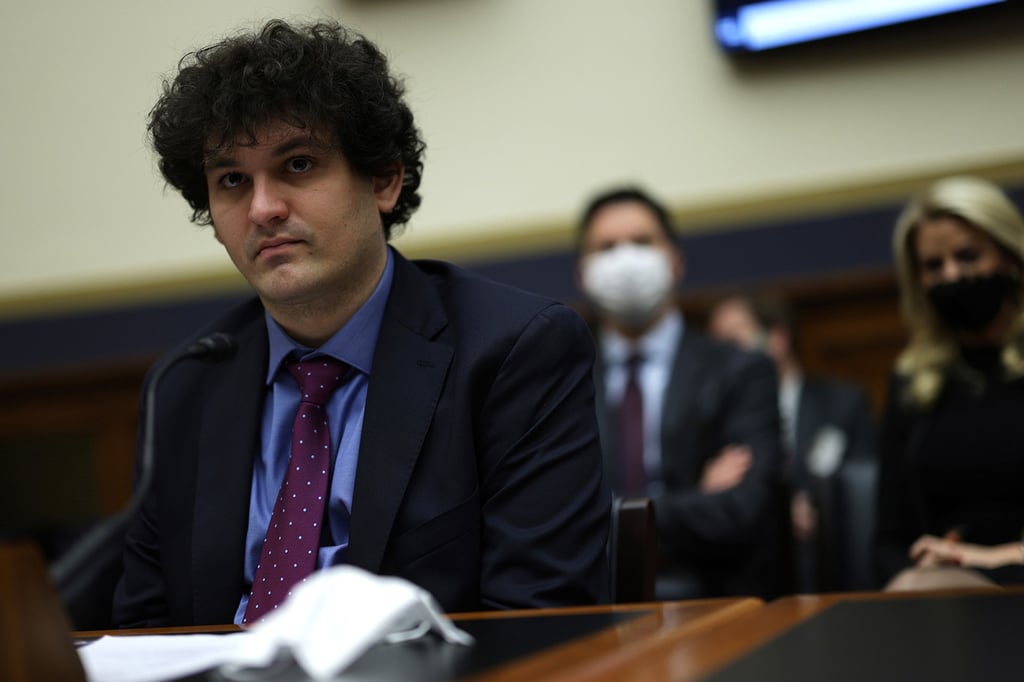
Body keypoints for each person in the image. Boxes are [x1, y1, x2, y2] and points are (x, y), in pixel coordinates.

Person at [112, 19, 611, 628]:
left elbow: (539, 625)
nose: (263, 208)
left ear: (383, 179)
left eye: (297, 164)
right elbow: (144, 633)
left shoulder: (513, 352)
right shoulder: (186, 384)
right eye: (232, 181)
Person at [576, 187, 785, 600]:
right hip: (588, 601)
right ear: (583, 273)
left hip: (715, 596)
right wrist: (691, 500)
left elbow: (741, 512)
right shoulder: (559, 378)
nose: (625, 260)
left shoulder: (741, 370)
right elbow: (543, 516)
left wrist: (609, 516)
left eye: (641, 242)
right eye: (606, 247)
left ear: (675, 261)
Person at [876, 175, 1024, 590]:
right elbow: (889, 540)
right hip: (944, 591)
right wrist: (922, 566)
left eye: (968, 256)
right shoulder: (913, 380)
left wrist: (989, 558)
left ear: (1010, 257)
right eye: (934, 266)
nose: (953, 276)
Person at [708, 293, 879, 591]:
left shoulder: (842, 404)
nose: (726, 357)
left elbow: (865, 490)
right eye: (718, 347)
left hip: (831, 558)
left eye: (734, 340)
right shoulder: (714, 420)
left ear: (777, 338)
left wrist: (821, 509)